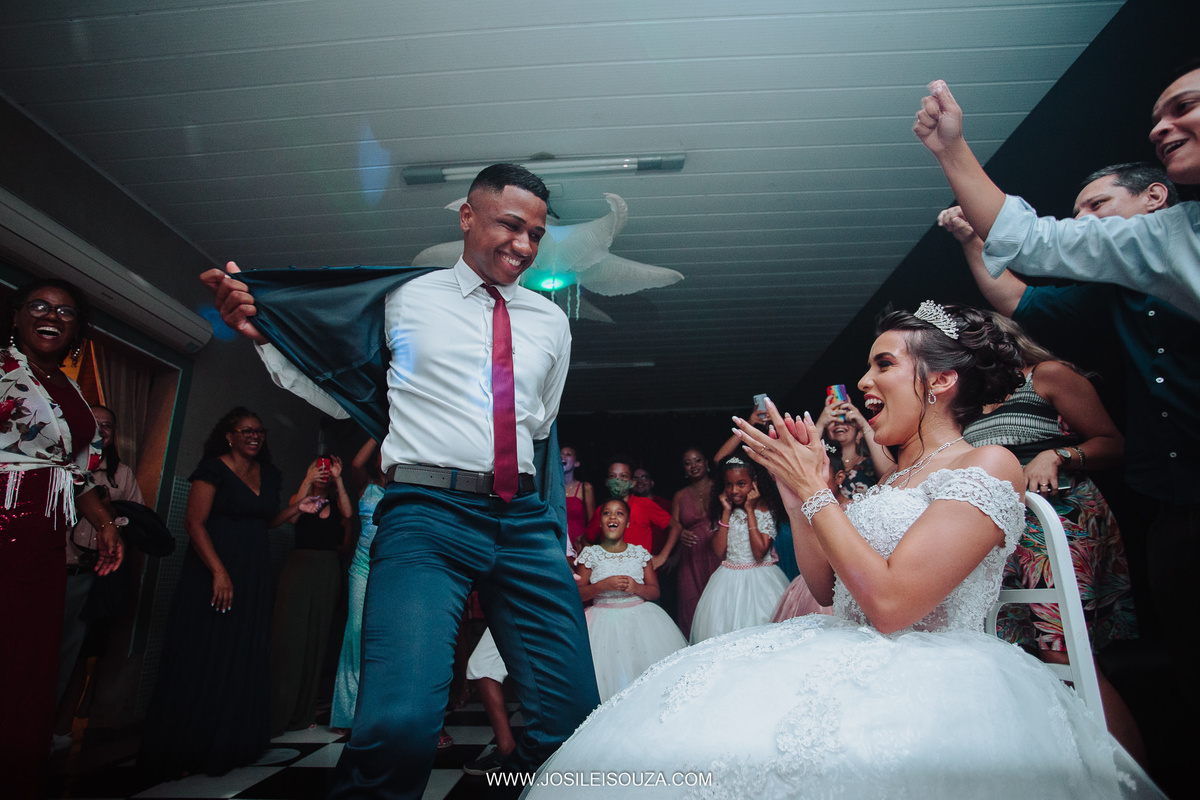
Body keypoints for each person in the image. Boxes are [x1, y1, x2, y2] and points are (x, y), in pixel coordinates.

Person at [525, 303, 1163, 799]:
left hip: (933, 673)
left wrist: (816, 492)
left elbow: (891, 605)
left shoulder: (988, 464)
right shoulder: (899, 479)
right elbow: (828, 587)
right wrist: (800, 492)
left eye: (883, 364)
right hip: (842, 639)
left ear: (941, 380)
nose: (863, 381)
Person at [202, 163, 599, 798]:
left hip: (523, 523)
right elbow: (341, 387)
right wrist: (265, 335)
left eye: (536, 234)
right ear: (466, 217)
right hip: (426, 517)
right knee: (401, 723)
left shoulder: (552, 322)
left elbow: (540, 423)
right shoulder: (403, 299)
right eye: (510, 226)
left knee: (574, 717)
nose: (525, 245)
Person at [919, 77, 1200, 722]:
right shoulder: (1118, 286)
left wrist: (1061, 457)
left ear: (1154, 198)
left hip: (1070, 521)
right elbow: (1022, 297)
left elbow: (1036, 240)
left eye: (1097, 206)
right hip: (1175, 508)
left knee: (1071, 652)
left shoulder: (1165, 243)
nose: (1083, 223)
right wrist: (972, 242)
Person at [962, 315, 1142, 757]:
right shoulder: (966, 401)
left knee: (1066, 653)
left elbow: (1114, 442)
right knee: (1020, 656)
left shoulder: (1046, 375)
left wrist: (1058, 454)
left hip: (1058, 523)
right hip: (1003, 536)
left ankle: (1131, 777)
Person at [1, 279, 123, 798]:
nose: (52, 316)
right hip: (3, 522)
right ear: (17, 316)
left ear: (77, 330)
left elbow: (79, 474)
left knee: (28, 661)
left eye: (66, 312)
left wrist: (106, 524)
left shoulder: (72, 394)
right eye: (39, 306)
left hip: (45, 541)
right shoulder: (2, 370)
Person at [138, 407, 304, 779]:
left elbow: (267, 521)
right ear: (229, 436)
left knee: (243, 652)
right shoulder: (212, 469)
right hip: (213, 571)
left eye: (259, 430)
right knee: (206, 651)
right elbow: (193, 523)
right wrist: (218, 572)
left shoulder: (269, 473)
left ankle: (232, 742)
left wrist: (298, 507)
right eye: (246, 430)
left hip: (254, 573)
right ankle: (191, 745)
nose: (254, 436)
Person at [53, 405, 145, 751]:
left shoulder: (121, 474)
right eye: (95, 423)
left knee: (79, 655)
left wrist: (110, 512)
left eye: (108, 425)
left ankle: (60, 732)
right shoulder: (60, 462)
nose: (101, 430)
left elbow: (138, 519)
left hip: (94, 574)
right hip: (53, 568)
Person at [270, 454, 353, 734]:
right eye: (320, 468)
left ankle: (304, 711)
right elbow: (291, 517)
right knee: (289, 636)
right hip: (299, 569)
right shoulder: (301, 498)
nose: (324, 472)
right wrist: (307, 479)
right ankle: (279, 709)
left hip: (327, 572)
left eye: (328, 469)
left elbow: (349, 515)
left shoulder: (337, 503)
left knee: (318, 638)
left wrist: (339, 480)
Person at [576, 498, 688, 701]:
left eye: (619, 513)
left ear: (627, 523)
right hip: (603, 622)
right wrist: (602, 586)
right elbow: (578, 593)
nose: (613, 517)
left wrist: (636, 587)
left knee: (644, 675)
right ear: (600, 522)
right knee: (609, 675)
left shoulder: (639, 553)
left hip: (639, 620)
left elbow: (655, 592)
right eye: (607, 513)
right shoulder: (591, 554)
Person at [689, 456, 790, 644]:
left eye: (741, 484)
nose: (734, 490)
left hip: (760, 580)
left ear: (754, 482)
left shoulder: (765, 510)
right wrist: (726, 512)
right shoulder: (725, 511)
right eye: (729, 485)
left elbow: (759, 553)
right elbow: (719, 552)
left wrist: (750, 510)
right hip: (728, 579)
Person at [331, 438, 386, 733]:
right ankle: (348, 713)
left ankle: (380, 711)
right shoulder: (366, 485)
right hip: (362, 568)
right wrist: (380, 428)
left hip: (391, 571)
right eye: (382, 452)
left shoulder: (404, 490)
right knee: (355, 633)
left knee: (385, 637)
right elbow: (355, 463)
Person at [770, 442, 842, 622]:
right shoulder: (802, 507)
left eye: (820, 475)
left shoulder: (853, 507)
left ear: (840, 477)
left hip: (843, 586)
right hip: (812, 582)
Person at [586, 458, 681, 570]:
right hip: (611, 574)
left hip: (642, 574)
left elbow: (676, 526)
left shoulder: (645, 504)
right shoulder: (601, 510)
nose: (618, 480)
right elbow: (586, 538)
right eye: (613, 476)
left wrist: (662, 557)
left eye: (623, 476)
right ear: (606, 481)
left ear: (632, 482)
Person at [671, 447, 721, 638]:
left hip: (718, 553)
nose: (693, 466)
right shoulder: (680, 496)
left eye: (697, 460)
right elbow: (673, 525)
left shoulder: (720, 486)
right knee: (692, 603)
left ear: (706, 463)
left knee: (719, 600)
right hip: (691, 559)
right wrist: (680, 533)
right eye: (688, 463)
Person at [813, 394, 891, 500]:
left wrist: (864, 424)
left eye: (847, 421)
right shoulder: (822, 465)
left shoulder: (872, 463)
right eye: (833, 421)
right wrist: (820, 424)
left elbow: (891, 476)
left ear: (859, 434)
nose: (840, 423)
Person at [561, 445, 594, 555]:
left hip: (579, 546)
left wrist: (584, 540)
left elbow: (592, 523)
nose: (562, 456)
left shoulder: (585, 488)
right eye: (560, 454)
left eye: (568, 454)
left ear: (577, 463)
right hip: (558, 545)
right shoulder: (552, 489)